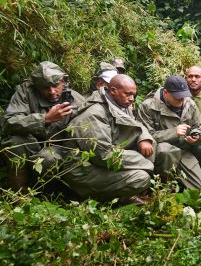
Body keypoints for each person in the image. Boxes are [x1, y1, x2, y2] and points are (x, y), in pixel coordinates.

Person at [62, 74, 154, 204]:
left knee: (150, 145)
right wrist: (145, 163)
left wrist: (144, 138)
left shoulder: (118, 104)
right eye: (128, 94)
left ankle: (120, 195)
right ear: (113, 90)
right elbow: (104, 156)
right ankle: (98, 200)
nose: (132, 99)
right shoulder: (94, 114)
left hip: (100, 161)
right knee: (141, 178)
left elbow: (136, 124)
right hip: (83, 169)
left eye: (134, 95)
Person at [1, 61, 86, 191]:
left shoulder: (75, 99)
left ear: (63, 81)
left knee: (47, 158)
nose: (52, 92)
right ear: (36, 86)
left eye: (55, 85)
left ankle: (52, 192)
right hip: (31, 146)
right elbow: (8, 122)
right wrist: (45, 120)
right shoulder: (26, 92)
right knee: (14, 143)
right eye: (45, 88)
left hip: (58, 151)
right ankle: (19, 194)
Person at [137, 76, 201, 189]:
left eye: (184, 95)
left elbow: (200, 126)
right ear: (165, 92)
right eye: (177, 96)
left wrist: (196, 136)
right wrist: (174, 132)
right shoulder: (148, 106)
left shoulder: (189, 103)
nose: (181, 99)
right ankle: (162, 186)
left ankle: (178, 182)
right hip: (161, 155)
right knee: (166, 150)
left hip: (183, 151)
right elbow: (146, 136)